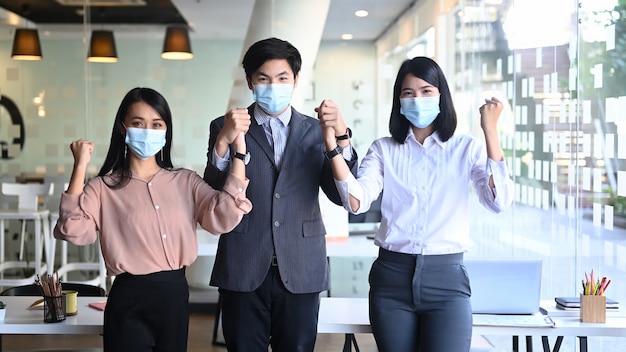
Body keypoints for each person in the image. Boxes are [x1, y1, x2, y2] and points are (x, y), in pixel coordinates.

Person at [317, 56, 515, 352]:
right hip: (391, 277)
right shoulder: (383, 149)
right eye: (408, 93)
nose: (417, 99)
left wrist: (490, 131)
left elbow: (498, 202)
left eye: (426, 91)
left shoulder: (465, 148)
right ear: (399, 101)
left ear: (441, 96)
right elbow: (355, 201)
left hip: (447, 279)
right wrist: (332, 147)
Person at [53, 87, 252, 352]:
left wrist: (239, 153)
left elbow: (223, 217)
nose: (147, 131)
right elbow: (74, 230)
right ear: (123, 128)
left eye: (156, 124)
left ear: (166, 130)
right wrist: (80, 167)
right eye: (138, 123)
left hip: (175, 298)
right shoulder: (103, 188)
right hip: (128, 299)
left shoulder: (186, 181)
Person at [203, 37, 358, 351]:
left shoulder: (317, 130)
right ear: (250, 81)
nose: (273, 86)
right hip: (243, 262)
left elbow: (339, 193)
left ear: (295, 81)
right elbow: (214, 196)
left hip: (302, 263)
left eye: (282, 78)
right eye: (263, 78)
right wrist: (223, 143)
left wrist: (341, 139)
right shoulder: (224, 126)